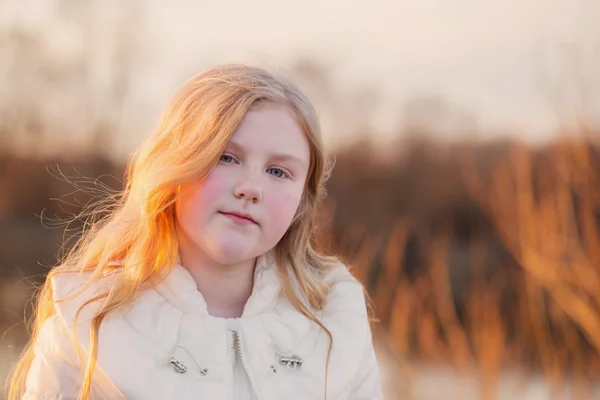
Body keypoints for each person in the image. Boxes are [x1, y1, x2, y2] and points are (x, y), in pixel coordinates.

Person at [8, 64, 384, 400]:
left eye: (278, 171)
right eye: (226, 157)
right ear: (175, 164)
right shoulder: (89, 317)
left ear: (303, 198)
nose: (250, 187)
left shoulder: (336, 319)